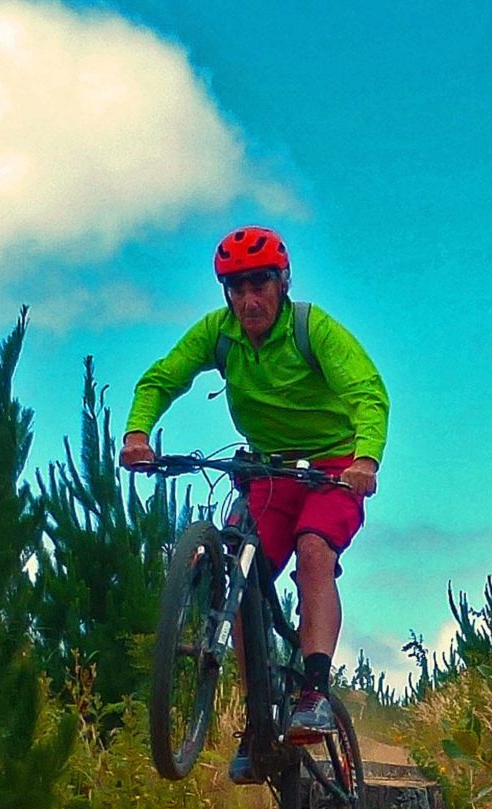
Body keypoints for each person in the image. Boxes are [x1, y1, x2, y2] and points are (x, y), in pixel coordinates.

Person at [120, 225, 389, 779]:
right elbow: (162, 378)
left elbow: (367, 391)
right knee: (235, 581)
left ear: (282, 283)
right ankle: (258, 716)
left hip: (332, 470)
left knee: (315, 551)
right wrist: (137, 434)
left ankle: (314, 690)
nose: (249, 299)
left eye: (260, 284)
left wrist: (365, 460)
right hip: (267, 472)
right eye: (236, 288)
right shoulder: (218, 335)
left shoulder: (314, 330)